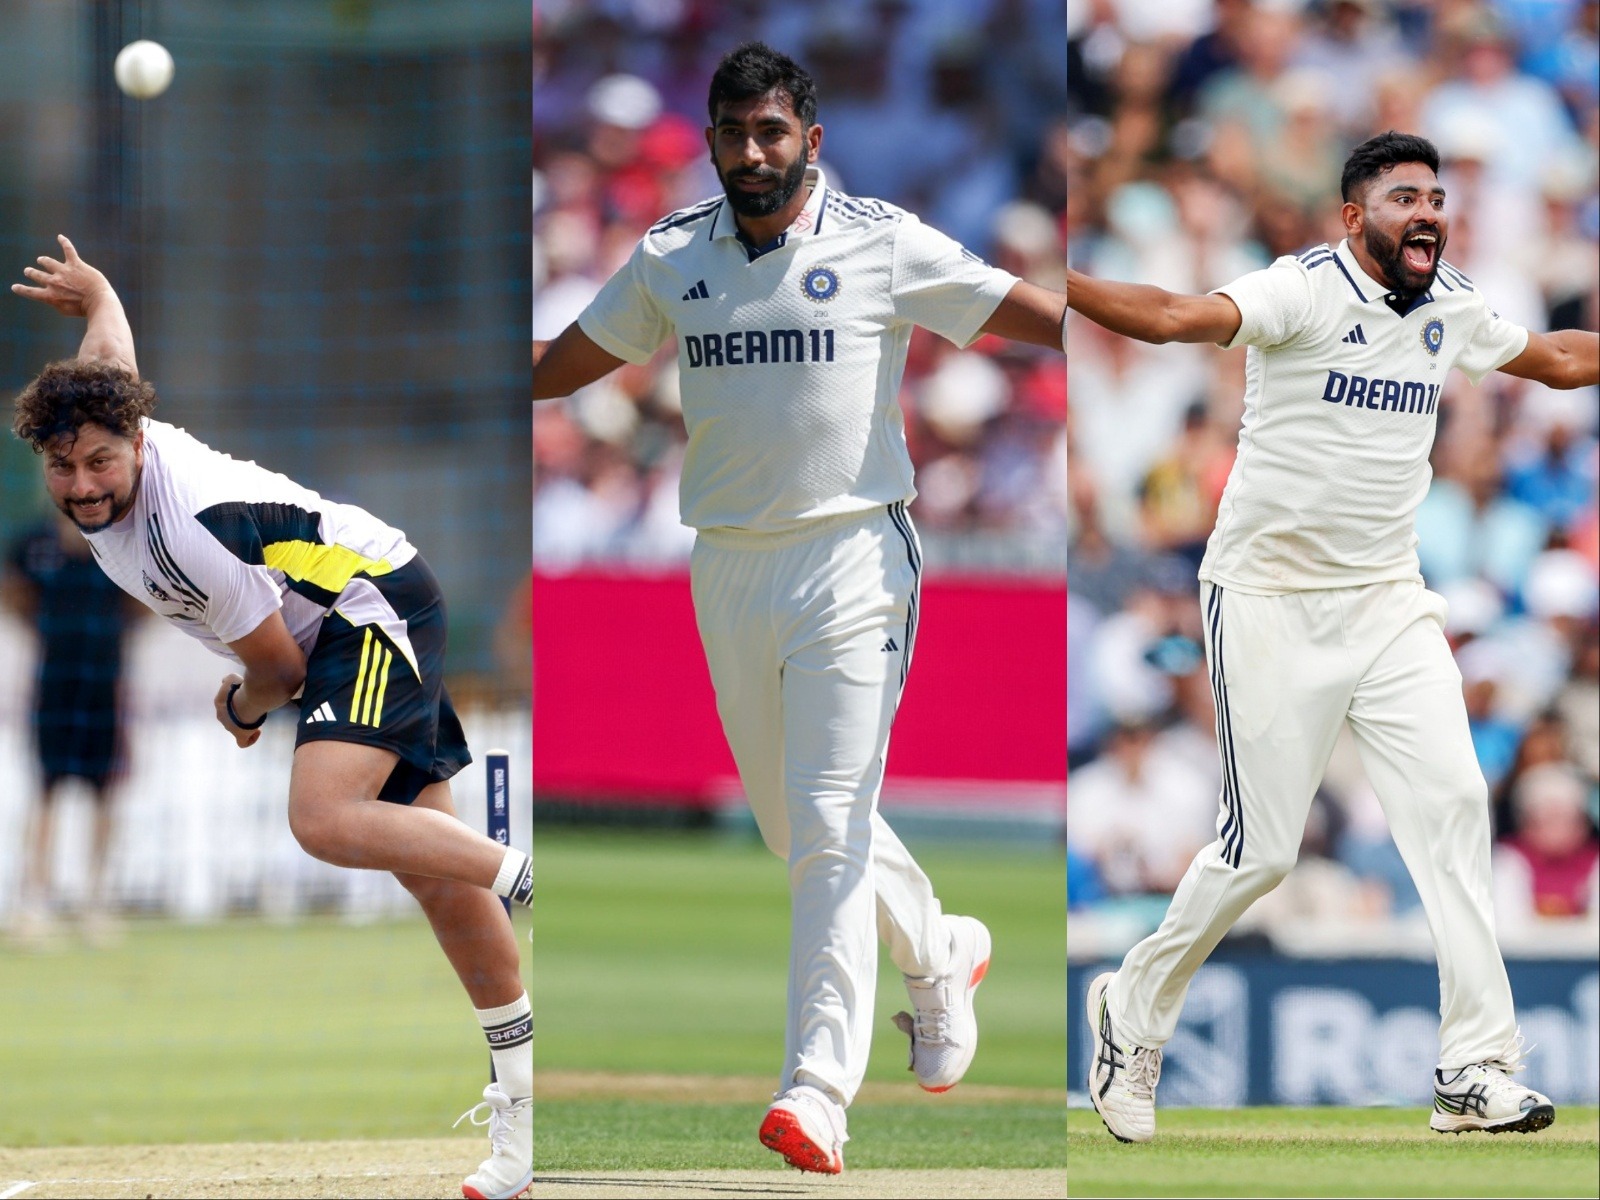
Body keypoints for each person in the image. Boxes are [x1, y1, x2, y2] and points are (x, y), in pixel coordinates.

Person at [533, 42, 1067, 1174]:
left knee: (826, 826)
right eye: (733, 133)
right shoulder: (674, 254)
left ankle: (817, 1093)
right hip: (729, 561)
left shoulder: (881, 240)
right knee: (794, 826)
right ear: (712, 142)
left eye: (771, 131)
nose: (752, 152)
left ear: (809, 140)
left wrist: (1133, 321)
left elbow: (1021, 311)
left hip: (854, 554)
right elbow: (566, 363)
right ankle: (939, 947)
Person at [1068, 131, 1598, 1143]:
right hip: (1266, 597)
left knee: (1453, 808)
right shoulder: (1301, 290)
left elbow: (1561, 359)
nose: (1428, 213)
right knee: (1259, 853)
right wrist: (1057, 286)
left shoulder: (1451, 304)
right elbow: (1175, 317)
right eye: (1405, 198)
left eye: (1436, 198)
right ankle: (1129, 1010)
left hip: (1389, 601)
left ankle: (1473, 1068)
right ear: (1354, 217)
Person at [11, 236, 534, 1200]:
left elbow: (278, 669)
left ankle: (530, 877)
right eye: (62, 466)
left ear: (137, 442)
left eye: (99, 463)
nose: (82, 484)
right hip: (350, 617)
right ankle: (524, 1125)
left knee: (323, 819)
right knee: (434, 875)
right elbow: (110, 354)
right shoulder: (110, 425)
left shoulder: (185, 530)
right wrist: (100, 292)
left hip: (364, 608)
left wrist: (239, 707)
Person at [3, 510, 140, 948]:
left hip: (105, 682)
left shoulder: (121, 541)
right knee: (45, 788)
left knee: (105, 790)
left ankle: (96, 901)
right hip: (54, 683)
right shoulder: (36, 543)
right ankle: (35, 902)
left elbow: (145, 602)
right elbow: (14, 591)